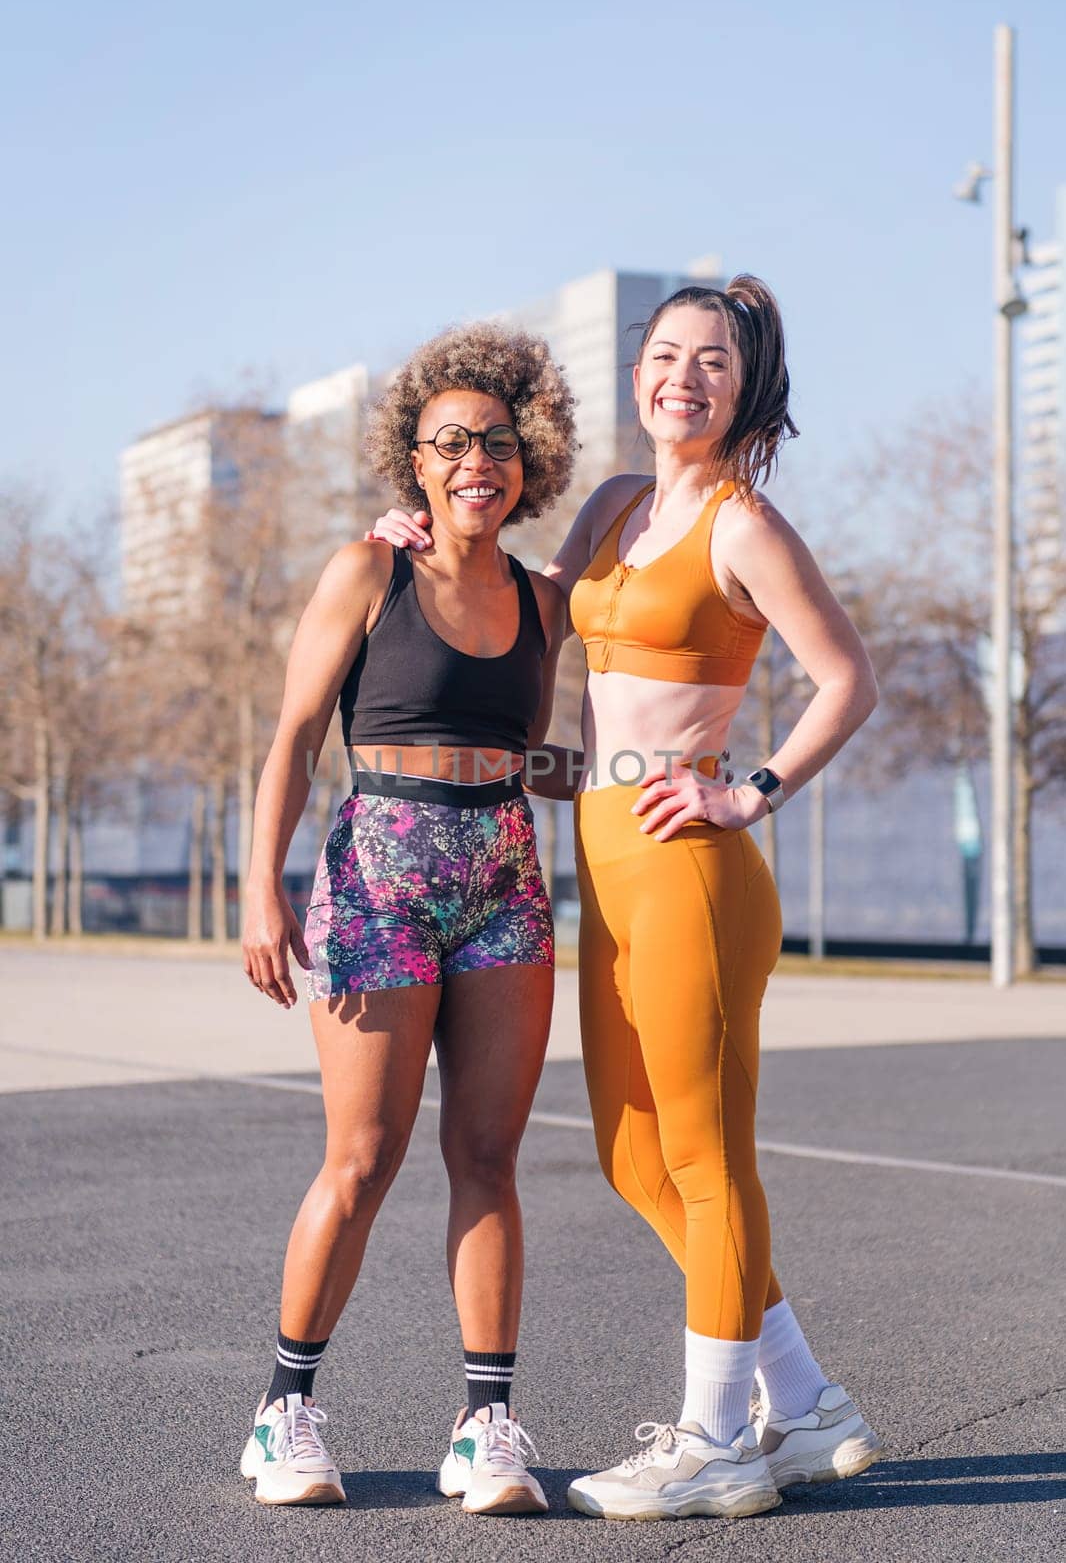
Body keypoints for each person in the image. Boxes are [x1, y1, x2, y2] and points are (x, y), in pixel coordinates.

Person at [369, 276, 883, 1522]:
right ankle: (805, 1404)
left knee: (707, 1158)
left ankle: (714, 1438)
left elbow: (846, 680)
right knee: (633, 1153)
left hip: (691, 864)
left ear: (744, 386)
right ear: (639, 372)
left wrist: (747, 791)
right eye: (666, 354)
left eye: (713, 361)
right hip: (600, 855)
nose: (683, 377)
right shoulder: (611, 506)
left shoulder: (743, 525)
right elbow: (524, 616)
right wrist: (428, 540)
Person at [239, 321, 575, 1515]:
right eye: (450, 442)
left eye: (496, 440)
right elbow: (289, 737)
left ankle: (485, 1424)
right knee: (362, 1157)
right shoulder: (366, 571)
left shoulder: (545, 602)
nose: (476, 458)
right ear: (415, 462)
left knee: (487, 1157)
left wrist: (637, 777)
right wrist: (260, 890)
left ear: (528, 459)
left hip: (504, 883)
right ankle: (285, 1409)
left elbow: (532, 757)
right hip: (377, 876)